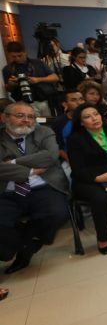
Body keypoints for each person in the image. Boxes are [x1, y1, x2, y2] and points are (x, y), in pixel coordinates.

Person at [0, 102, 70, 274]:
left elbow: (50, 156)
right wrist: (30, 171)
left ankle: (28, 246)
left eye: (30, 117)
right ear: (5, 117)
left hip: (44, 186)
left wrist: (13, 162)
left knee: (57, 213)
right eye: (20, 115)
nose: (26, 120)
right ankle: (22, 243)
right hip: (8, 191)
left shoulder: (44, 132)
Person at [67, 103, 107, 255]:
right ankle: (102, 237)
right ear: (81, 122)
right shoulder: (75, 139)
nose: (94, 118)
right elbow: (77, 168)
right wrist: (97, 178)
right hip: (88, 180)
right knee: (100, 198)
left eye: (96, 114)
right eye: (87, 117)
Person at [2, 41, 58, 117]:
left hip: (43, 100)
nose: (17, 58)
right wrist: (11, 84)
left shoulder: (37, 63)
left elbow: (55, 77)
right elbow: (7, 89)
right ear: (9, 55)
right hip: (22, 103)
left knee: (48, 121)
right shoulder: (8, 69)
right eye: (14, 57)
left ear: (25, 52)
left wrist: (38, 80)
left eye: (19, 55)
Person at [51, 89, 85, 162]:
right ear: (65, 104)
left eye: (81, 99)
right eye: (73, 100)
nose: (79, 103)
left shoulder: (93, 118)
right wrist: (71, 161)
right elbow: (58, 147)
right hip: (70, 159)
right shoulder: (59, 122)